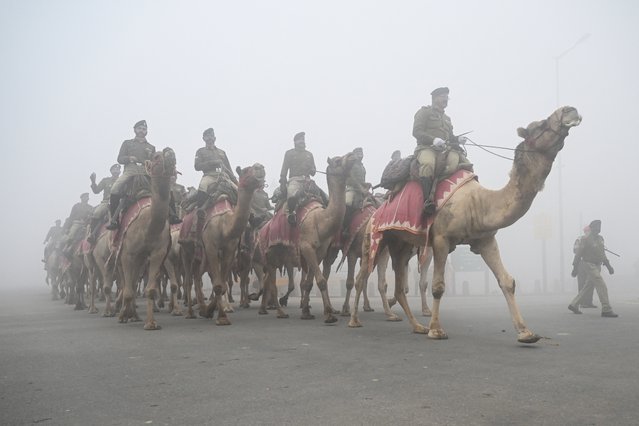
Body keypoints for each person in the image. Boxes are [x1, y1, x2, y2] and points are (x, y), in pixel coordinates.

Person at [106, 120, 180, 230]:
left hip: (147, 172)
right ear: (135, 130)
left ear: (146, 131)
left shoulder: (151, 147)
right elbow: (120, 159)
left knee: (167, 190)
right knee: (115, 189)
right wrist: (128, 158)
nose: (141, 131)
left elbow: (154, 162)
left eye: (144, 129)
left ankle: (173, 215)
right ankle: (114, 221)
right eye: (139, 128)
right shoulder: (127, 143)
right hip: (131, 171)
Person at [413, 87, 472, 215]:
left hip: (445, 149)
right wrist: (433, 140)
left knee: (465, 163)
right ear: (435, 98)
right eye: (443, 97)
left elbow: (449, 137)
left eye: (447, 97)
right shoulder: (424, 112)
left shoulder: (447, 118)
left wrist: (457, 139)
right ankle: (427, 200)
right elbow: (416, 132)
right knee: (428, 164)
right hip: (427, 148)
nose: (446, 99)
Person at [568, 220, 618, 317]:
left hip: (597, 265)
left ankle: (573, 304)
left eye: (599, 227)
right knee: (601, 284)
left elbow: (602, 254)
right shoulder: (585, 239)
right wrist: (575, 268)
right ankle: (606, 309)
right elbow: (578, 254)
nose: (598, 229)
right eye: (596, 227)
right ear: (591, 228)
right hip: (589, 264)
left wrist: (608, 266)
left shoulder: (600, 239)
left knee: (588, 286)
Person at [184, 127, 238, 212]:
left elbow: (229, 169)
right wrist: (213, 163)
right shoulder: (200, 151)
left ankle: (250, 218)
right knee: (203, 187)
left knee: (239, 192)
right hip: (209, 176)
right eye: (207, 136)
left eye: (211, 136)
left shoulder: (222, 152)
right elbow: (197, 166)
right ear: (204, 139)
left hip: (224, 176)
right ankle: (200, 211)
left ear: (215, 138)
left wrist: (236, 181)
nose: (210, 138)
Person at [279, 131, 317, 225]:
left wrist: (312, 169)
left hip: (308, 181)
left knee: (324, 198)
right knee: (292, 196)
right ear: (295, 142)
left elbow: (314, 171)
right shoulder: (289, 153)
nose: (302, 141)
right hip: (295, 180)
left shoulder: (309, 154)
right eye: (300, 140)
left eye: (303, 139)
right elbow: (284, 170)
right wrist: (282, 183)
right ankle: (291, 214)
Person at [87, 164, 121, 243]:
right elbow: (96, 191)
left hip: (120, 201)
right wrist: (93, 182)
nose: (116, 171)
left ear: (119, 171)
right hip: (107, 202)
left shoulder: (123, 179)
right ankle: (92, 235)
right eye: (114, 169)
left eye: (117, 169)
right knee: (97, 213)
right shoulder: (106, 181)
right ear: (111, 171)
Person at [572, 225, 597, 308]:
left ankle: (589, 302)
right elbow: (575, 250)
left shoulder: (594, 240)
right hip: (581, 263)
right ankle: (582, 302)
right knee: (582, 283)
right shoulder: (580, 239)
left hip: (591, 263)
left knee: (591, 283)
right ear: (585, 231)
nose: (588, 233)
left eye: (589, 231)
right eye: (587, 231)